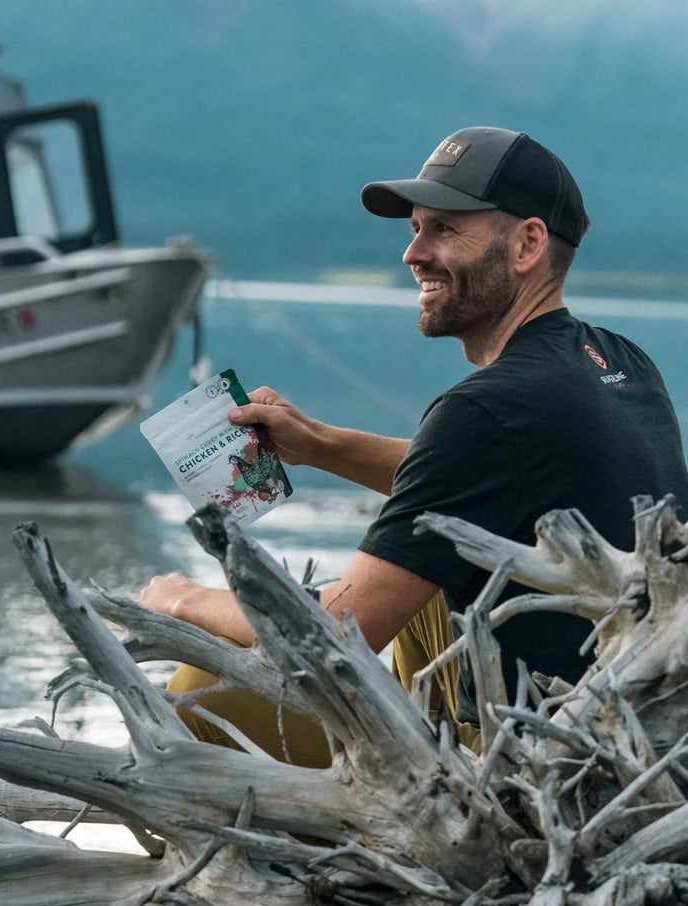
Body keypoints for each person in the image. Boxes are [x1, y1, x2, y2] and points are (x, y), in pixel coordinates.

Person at [140, 125, 688, 761]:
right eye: (415, 228)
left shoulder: (487, 409)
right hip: (632, 731)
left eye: (445, 230)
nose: (413, 254)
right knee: (428, 558)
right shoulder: (618, 362)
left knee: (196, 691)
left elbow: (340, 630)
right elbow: (481, 478)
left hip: (532, 759)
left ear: (527, 244)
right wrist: (317, 442)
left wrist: (180, 599)